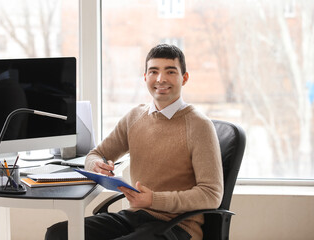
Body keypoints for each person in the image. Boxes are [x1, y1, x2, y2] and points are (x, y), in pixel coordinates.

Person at [45, 44, 223, 240]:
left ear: (185, 78)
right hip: (135, 216)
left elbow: (211, 194)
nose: (161, 79)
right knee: (59, 234)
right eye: (153, 71)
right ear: (145, 77)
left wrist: (154, 199)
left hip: (177, 226)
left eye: (170, 71)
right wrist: (96, 166)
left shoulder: (199, 126)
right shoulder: (135, 117)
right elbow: (95, 154)